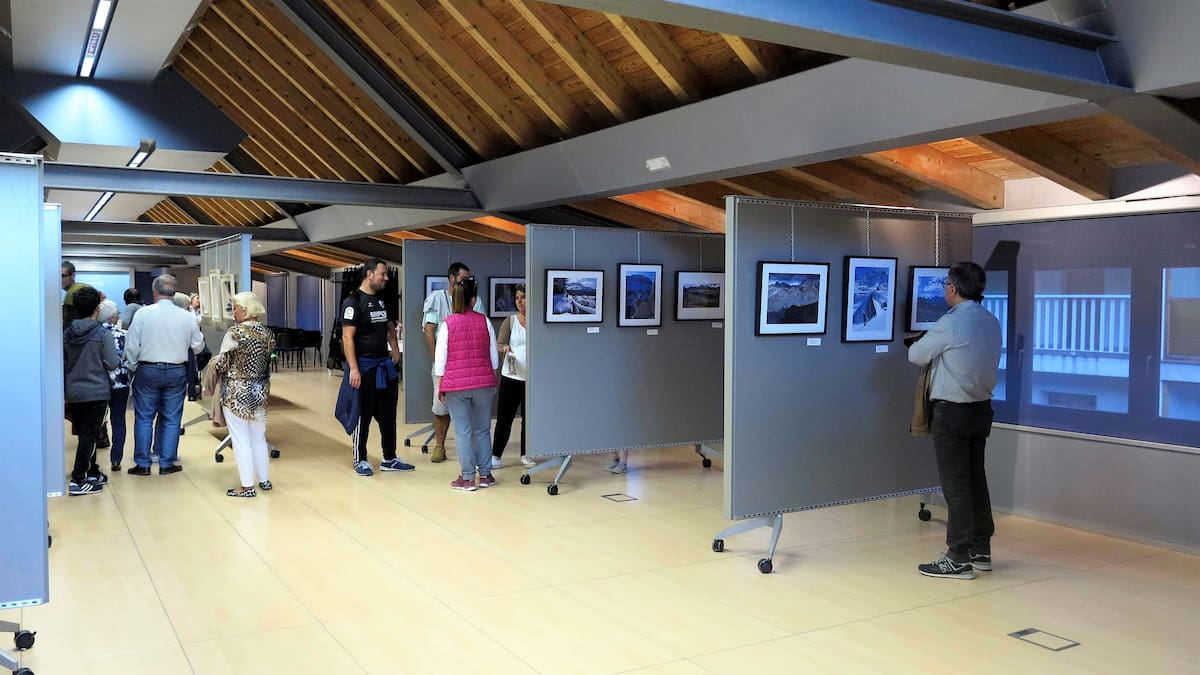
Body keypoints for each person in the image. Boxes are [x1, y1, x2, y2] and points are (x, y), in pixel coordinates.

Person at [907, 262, 1002, 580]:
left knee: (956, 485)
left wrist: (925, 341)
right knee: (976, 479)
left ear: (953, 288)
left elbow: (916, 355)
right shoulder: (991, 320)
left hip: (953, 412)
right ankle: (981, 549)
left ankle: (958, 557)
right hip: (981, 410)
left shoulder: (951, 322)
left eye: (946, 284)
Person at [124, 274, 205, 476]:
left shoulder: (143, 314)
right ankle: (167, 463)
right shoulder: (187, 316)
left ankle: (143, 464)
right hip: (177, 371)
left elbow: (131, 345)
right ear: (174, 292)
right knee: (172, 418)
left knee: (144, 418)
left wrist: (132, 367)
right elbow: (198, 346)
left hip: (147, 370)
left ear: (154, 291)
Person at [341, 258, 413, 477]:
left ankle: (389, 458)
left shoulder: (382, 300)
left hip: (384, 366)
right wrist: (354, 368)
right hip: (364, 367)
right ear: (369, 274)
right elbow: (347, 337)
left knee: (388, 414)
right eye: (383, 274)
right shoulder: (353, 301)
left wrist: (395, 348)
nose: (386, 278)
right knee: (362, 415)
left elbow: (389, 326)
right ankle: (360, 459)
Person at [434, 276, 499, 491]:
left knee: (462, 431)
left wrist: (439, 386)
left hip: (456, 386)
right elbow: (494, 358)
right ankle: (486, 475)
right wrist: (489, 377)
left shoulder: (448, 324)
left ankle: (468, 478)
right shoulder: (485, 321)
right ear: (474, 299)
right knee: (482, 430)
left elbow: (441, 359)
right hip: (484, 384)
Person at [210, 292, 276, 497]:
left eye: (235, 308)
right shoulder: (268, 333)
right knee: (258, 438)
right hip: (260, 392)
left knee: (240, 440)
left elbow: (222, 363)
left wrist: (214, 364)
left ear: (245, 310)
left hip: (236, 393)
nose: (234, 312)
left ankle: (247, 487)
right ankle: (264, 480)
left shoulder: (234, 333)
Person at [422, 262, 483, 463]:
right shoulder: (437, 299)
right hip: (445, 364)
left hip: (468, 365)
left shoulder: (475, 301)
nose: (466, 282)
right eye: (463, 278)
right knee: (441, 407)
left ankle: (471, 451)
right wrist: (437, 361)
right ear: (452, 278)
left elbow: (481, 328)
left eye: (468, 279)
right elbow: (429, 330)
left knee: (470, 410)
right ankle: (439, 446)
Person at [63, 287, 120, 495]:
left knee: (85, 434)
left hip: (74, 391)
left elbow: (63, 362)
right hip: (97, 391)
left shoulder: (67, 334)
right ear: (97, 308)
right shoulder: (102, 334)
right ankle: (78, 480)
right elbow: (113, 362)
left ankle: (92, 471)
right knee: (90, 435)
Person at [491, 285, 535, 469]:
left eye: (523, 297)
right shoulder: (509, 322)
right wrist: (504, 348)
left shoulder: (537, 322)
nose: (520, 301)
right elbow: (499, 343)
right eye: (517, 298)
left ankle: (526, 454)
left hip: (532, 380)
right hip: (511, 377)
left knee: (529, 420)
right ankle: (496, 455)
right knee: (504, 419)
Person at [98, 300, 132, 471]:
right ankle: (116, 459)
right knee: (118, 421)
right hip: (121, 384)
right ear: (112, 317)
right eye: (117, 313)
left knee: (96, 421)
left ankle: (92, 460)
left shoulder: (95, 335)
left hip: (98, 384)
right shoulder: (123, 334)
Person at [61, 260, 92, 329]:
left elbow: (69, 324)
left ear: (73, 275)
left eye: (62, 276)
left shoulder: (74, 292)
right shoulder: (81, 287)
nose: (59, 279)